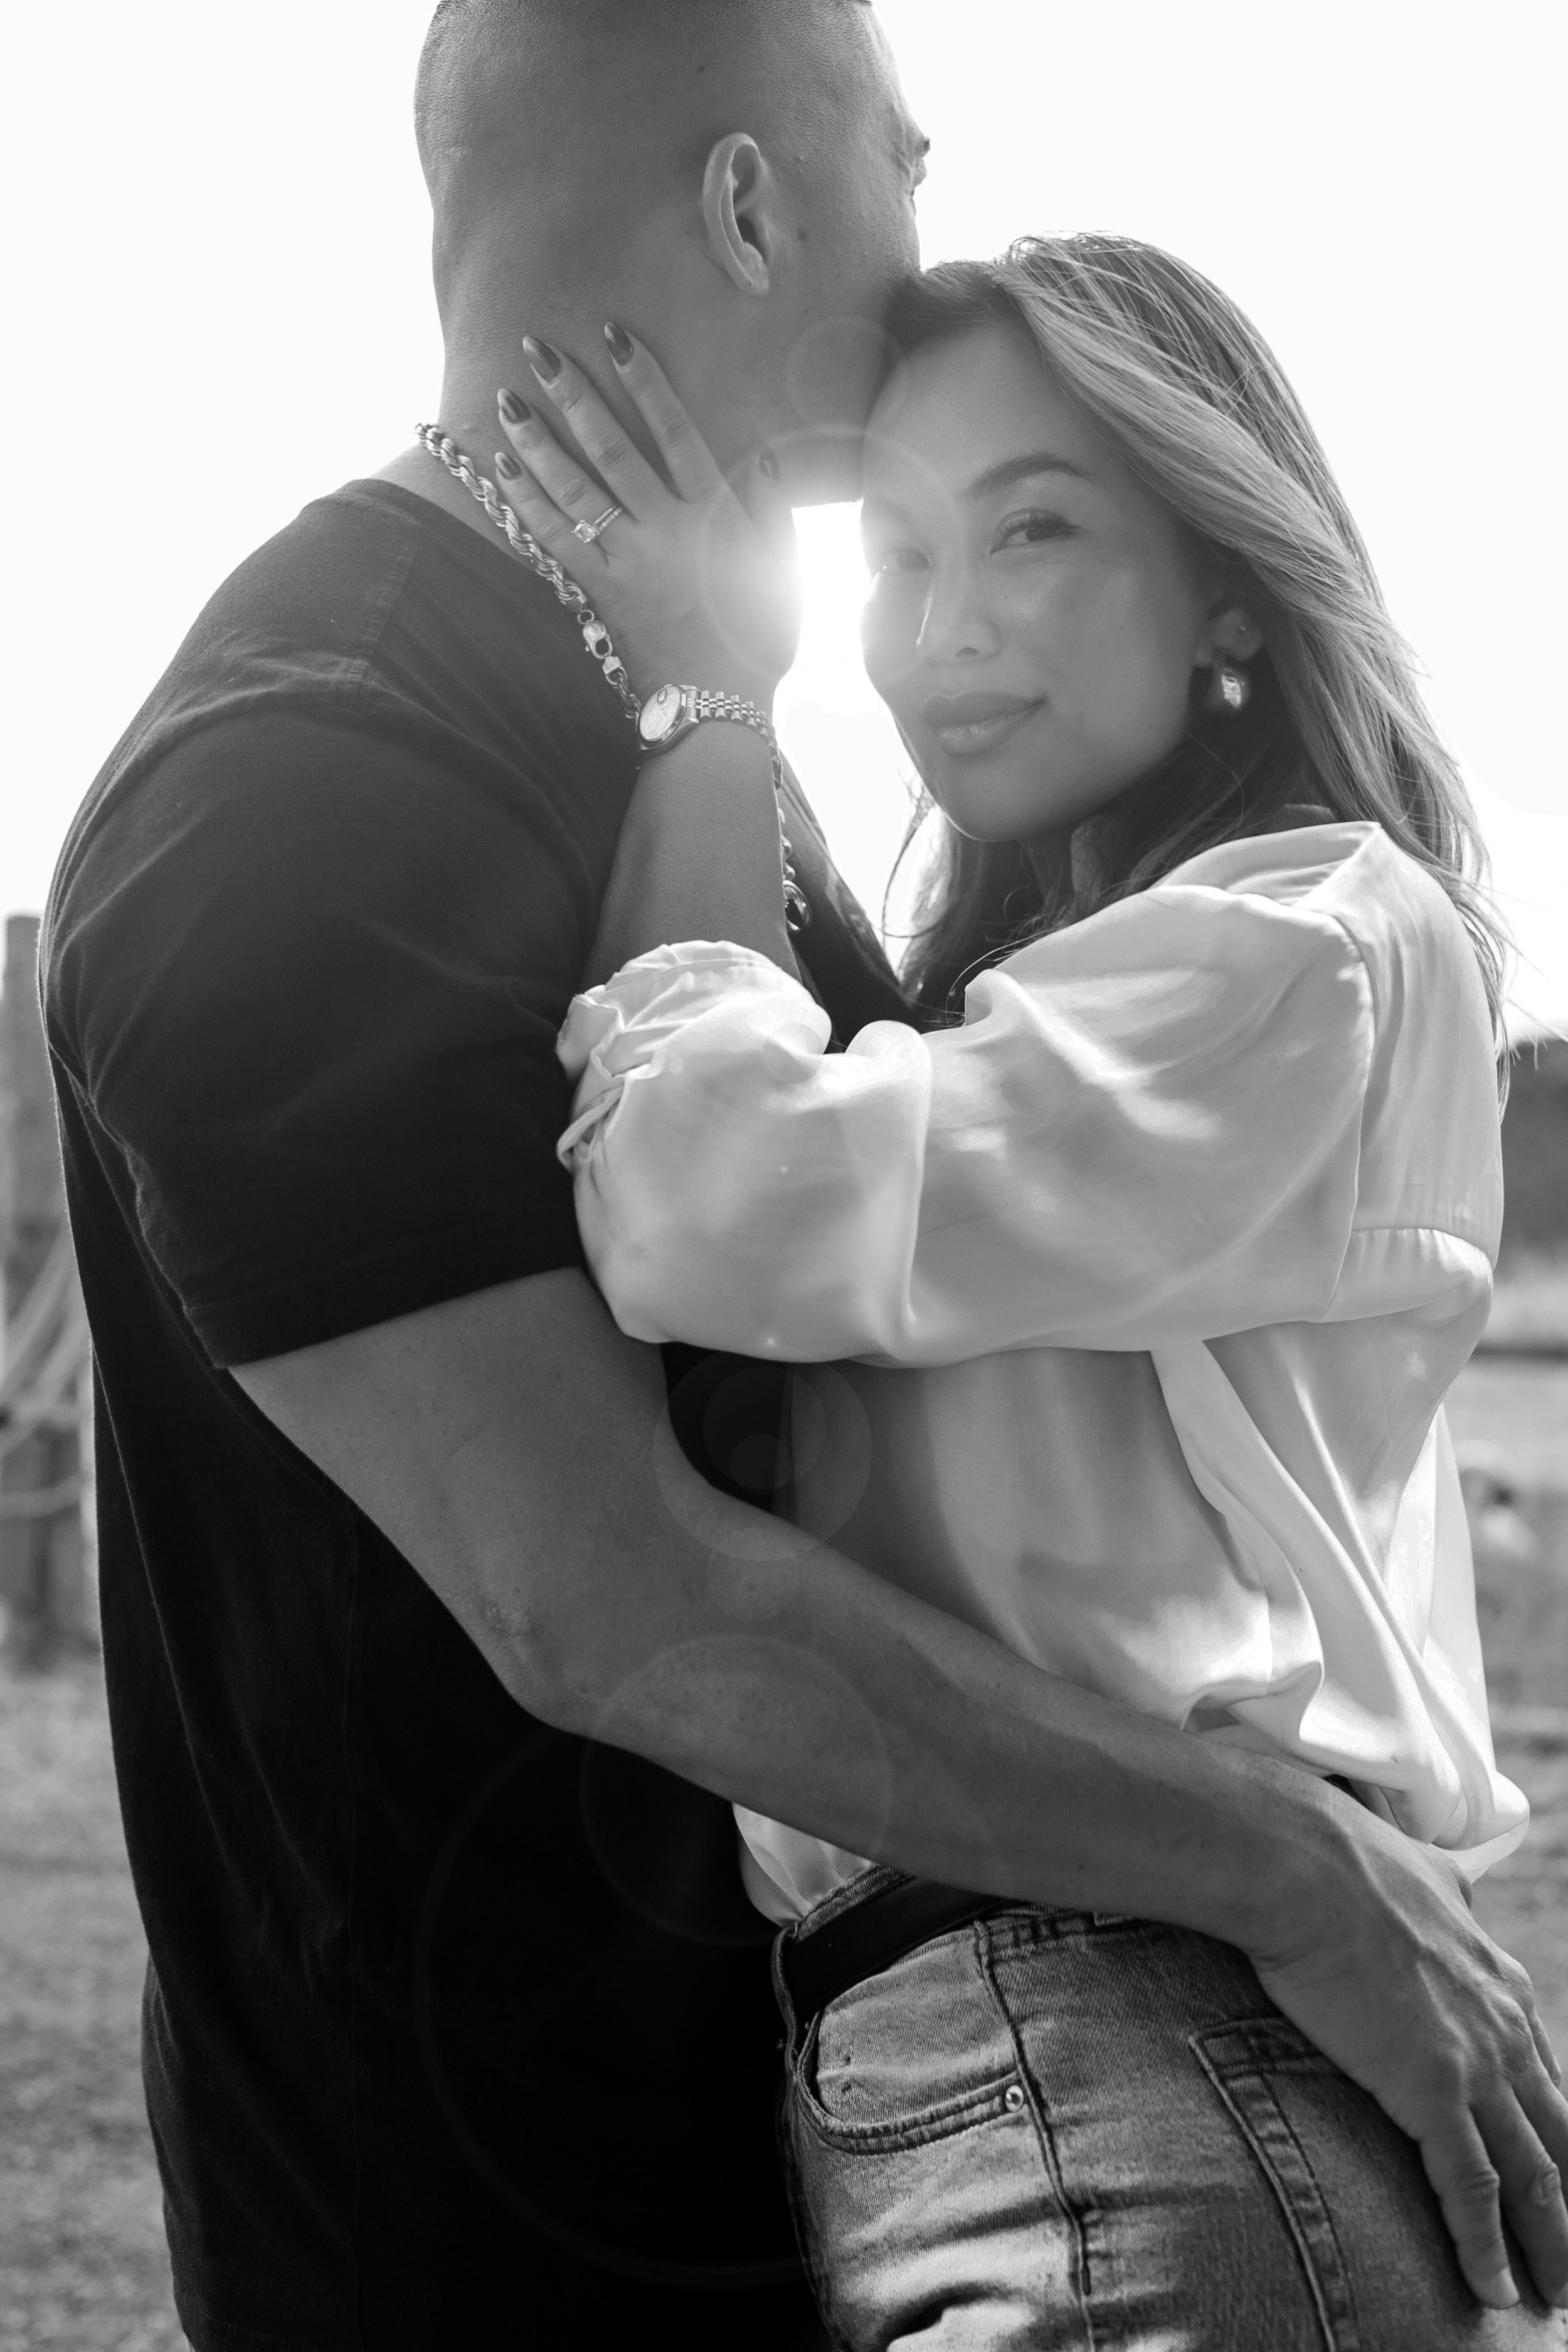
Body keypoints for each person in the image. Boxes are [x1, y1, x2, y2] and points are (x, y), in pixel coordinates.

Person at [40, 0, 1562, 2337]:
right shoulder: (306, 782)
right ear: (752, 197)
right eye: (908, 167)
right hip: (489, 2230)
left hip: (820, 2159)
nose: (929, 237)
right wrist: (1281, 1865)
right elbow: (612, 1595)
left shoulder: (675, 743)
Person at [485, 235, 1568, 2343]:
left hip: (1139, 2063)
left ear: (1233, 584)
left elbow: (710, 1199)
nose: (941, 631)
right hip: (1046, 2066)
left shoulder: (1308, 945)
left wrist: (703, 693)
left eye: (1036, 529)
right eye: (886, 554)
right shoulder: (1058, 1007)